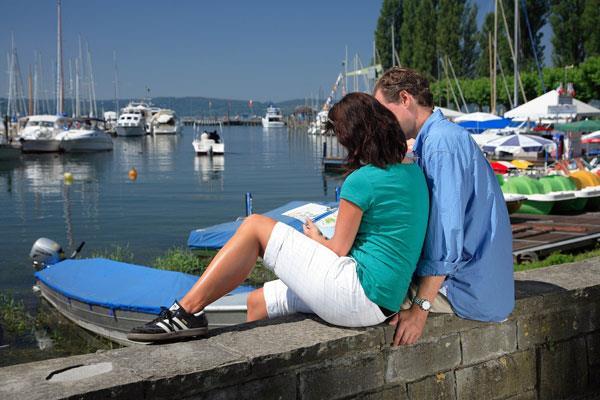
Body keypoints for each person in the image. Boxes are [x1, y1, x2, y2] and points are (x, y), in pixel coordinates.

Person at [127, 92, 430, 343]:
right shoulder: (413, 173)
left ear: (356, 136)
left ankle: (186, 312)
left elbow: (338, 250)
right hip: (385, 302)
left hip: (358, 294)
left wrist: (316, 239)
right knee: (258, 300)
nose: (340, 143)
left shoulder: (363, 181)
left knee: (255, 226)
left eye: (341, 136)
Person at [373, 67, 514, 346]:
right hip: (480, 282)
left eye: (383, 112)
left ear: (405, 99)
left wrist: (419, 310)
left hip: (466, 288)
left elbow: (445, 237)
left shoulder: (440, 144)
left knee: (364, 290)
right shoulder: (438, 138)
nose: (381, 122)